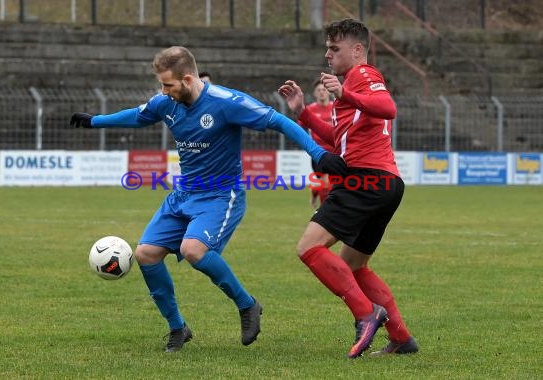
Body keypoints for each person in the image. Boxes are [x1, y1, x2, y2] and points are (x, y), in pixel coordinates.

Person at [70, 46, 344, 353]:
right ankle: (178, 329)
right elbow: (138, 116)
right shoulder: (166, 103)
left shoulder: (227, 103)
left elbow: (278, 121)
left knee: (193, 250)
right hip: (183, 194)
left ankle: (247, 305)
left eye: (168, 85)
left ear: (187, 79)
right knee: (146, 254)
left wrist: (318, 153)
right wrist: (95, 120)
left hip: (220, 195)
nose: (163, 92)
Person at [278, 18, 419, 358]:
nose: (328, 54)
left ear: (357, 50)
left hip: (366, 180)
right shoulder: (352, 89)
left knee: (309, 248)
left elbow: (389, 108)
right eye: (327, 48)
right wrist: (304, 115)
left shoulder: (363, 75)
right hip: (385, 183)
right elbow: (338, 140)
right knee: (354, 266)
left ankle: (366, 314)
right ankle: (401, 338)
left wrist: (346, 93)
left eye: (334, 48)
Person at [301, 79, 334, 208]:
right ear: (315, 93)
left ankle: (315, 190)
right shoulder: (310, 109)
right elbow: (301, 128)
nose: (321, 92)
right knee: (326, 184)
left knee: (333, 184)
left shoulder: (336, 107)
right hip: (318, 153)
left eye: (324, 90)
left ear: (328, 92)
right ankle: (323, 212)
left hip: (336, 151)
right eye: (319, 90)